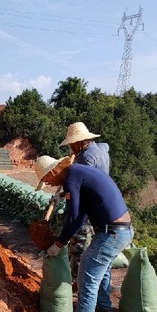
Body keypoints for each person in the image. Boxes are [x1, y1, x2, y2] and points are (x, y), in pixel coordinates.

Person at [34, 155, 133, 312]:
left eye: (46, 179)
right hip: (122, 229)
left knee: (87, 277)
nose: (48, 183)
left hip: (110, 233)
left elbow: (75, 218)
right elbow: (83, 205)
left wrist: (59, 243)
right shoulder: (79, 172)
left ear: (53, 171)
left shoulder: (71, 178)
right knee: (100, 270)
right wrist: (63, 195)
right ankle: (102, 304)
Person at [58, 122, 111, 286]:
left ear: (81, 141)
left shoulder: (86, 157)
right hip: (102, 206)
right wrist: (61, 194)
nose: (71, 148)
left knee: (79, 245)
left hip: (88, 207)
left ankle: (76, 282)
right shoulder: (100, 150)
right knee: (103, 256)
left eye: (72, 144)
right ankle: (103, 293)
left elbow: (80, 187)